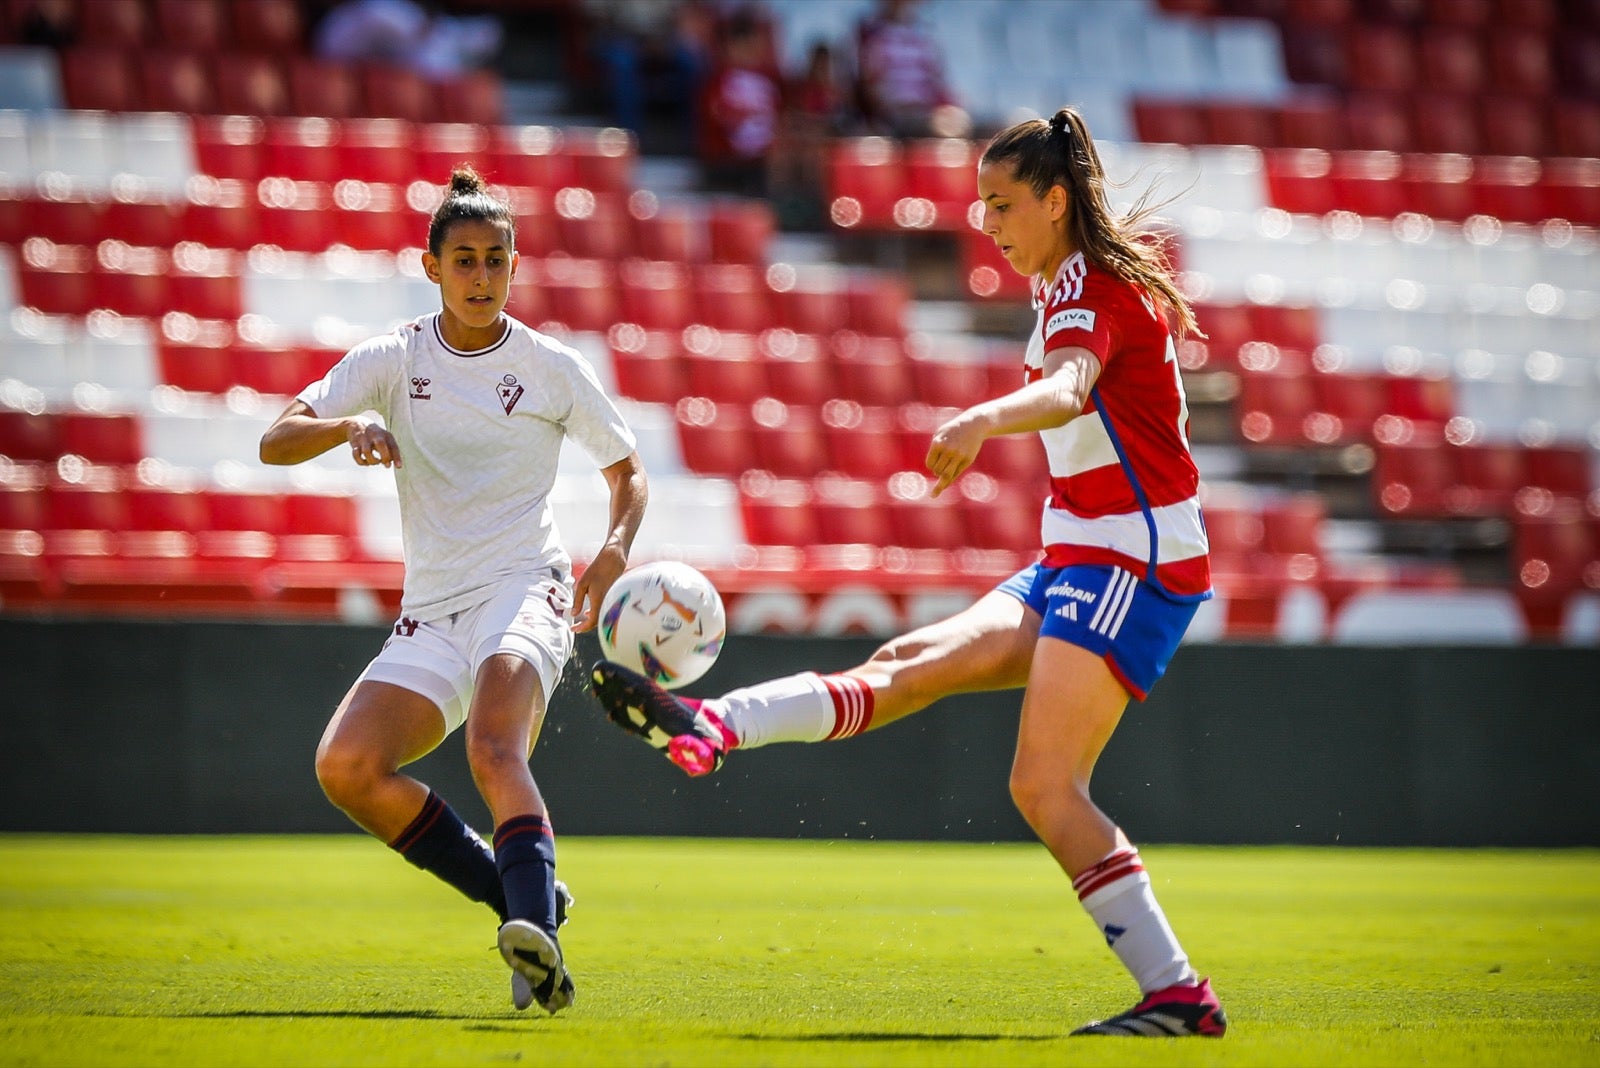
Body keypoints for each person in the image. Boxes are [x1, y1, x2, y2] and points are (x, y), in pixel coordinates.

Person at [590, 106, 1227, 1038]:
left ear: (1056, 202)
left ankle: (1178, 995)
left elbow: (1069, 389)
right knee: (908, 664)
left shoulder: (1091, 290)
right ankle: (714, 726)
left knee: (1044, 786)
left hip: (1136, 556)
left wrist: (979, 420)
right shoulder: (1062, 282)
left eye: (1002, 204)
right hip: (1080, 550)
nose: (988, 223)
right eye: (981, 206)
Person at [260, 167, 648, 1015]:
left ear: (515, 266)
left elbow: (627, 472)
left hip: (525, 585)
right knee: (349, 768)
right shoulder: (394, 358)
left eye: (497, 261)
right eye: (465, 260)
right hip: (433, 607)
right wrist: (347, 425)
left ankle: (536, 940)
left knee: (493, 749)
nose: (482, 278)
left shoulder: (548, 366)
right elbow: (275, 440)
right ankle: (522, 903)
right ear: (431, 267)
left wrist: (613, 549)